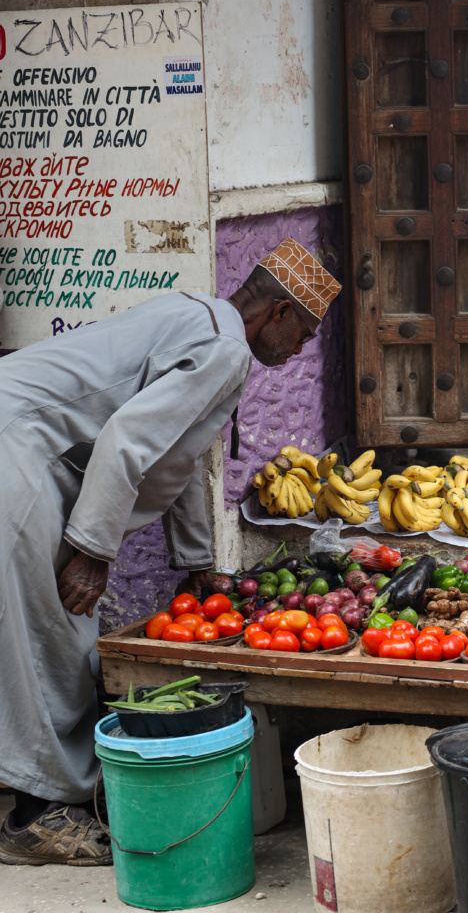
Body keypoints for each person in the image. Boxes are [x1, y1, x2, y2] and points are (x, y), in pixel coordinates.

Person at [0, 238, 341, 866]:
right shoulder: (225, 350)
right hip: (17, 451)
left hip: (21, 439)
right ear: (278, 312)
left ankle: (38, 796)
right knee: (52, 635)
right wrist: (93, 551)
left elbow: (173, 454)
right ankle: (35, 816)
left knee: (36, 634)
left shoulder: (198, 315)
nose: (298, 352)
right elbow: (128, 441)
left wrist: (196, 561)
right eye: (303, 335)